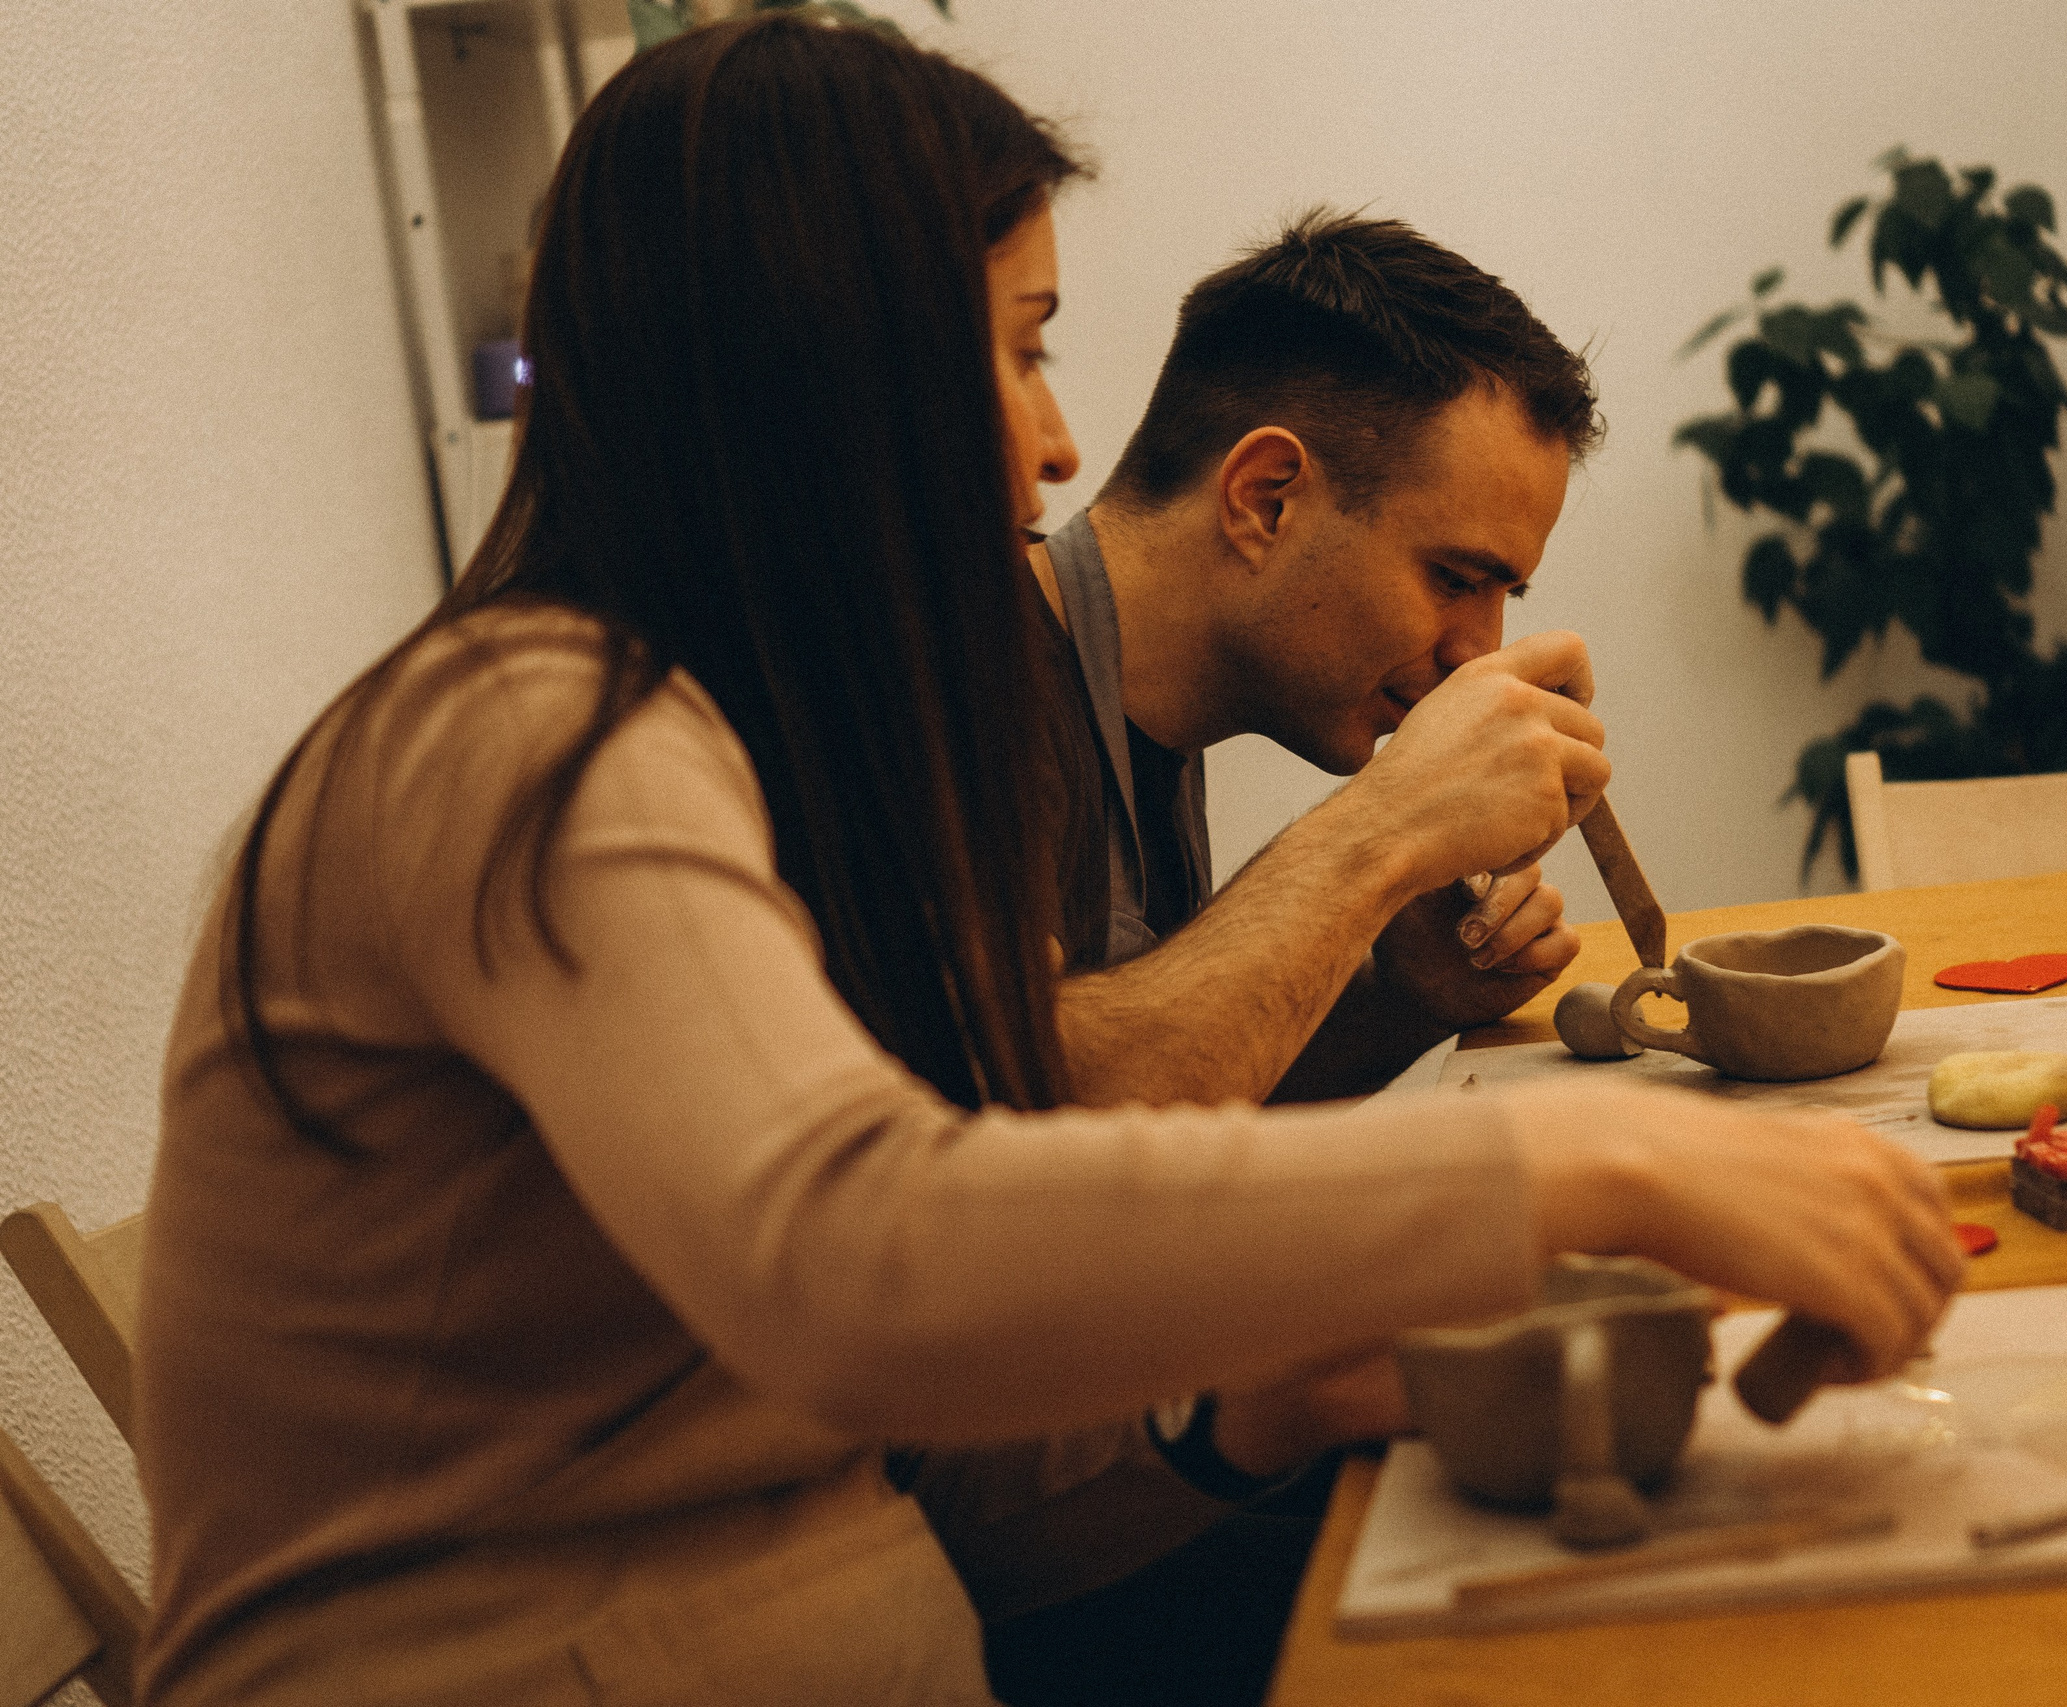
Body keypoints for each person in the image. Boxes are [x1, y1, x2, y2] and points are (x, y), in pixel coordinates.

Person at [134, 16, 1963, 1706]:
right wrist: (1582, 1154)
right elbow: (864, 1259)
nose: (1062, 435)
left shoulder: (705, 732)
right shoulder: (527, 728)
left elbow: (900, 1391)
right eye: (1017, 346)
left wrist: (1262, 1402)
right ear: (825, 364)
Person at [1038, 213, 1606, 1107]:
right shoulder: (942, 688)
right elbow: (1024, 1154)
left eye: (1504, 598)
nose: (1477, 654)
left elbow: (1158, 1127)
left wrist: (1396, 1000)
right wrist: (1387, 828)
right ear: (1265, 500)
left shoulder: (1148, 704)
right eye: (1454, 577)